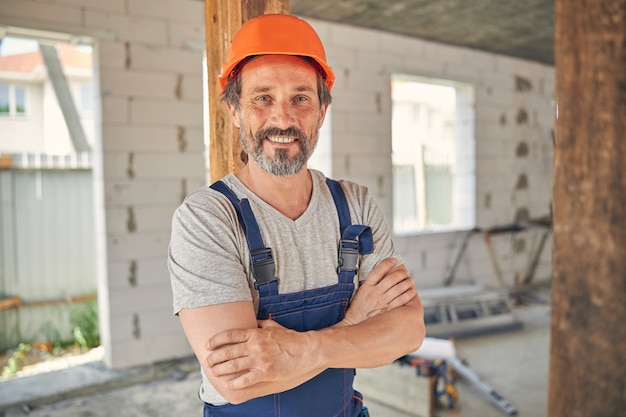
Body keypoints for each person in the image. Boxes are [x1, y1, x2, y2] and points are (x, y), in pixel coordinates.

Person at [168, 13, 425, 417]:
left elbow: (408, 332)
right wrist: (352, 325)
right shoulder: (208, 218)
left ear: (322, 111)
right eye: (263, 98)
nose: (283, 119)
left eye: (301, 98)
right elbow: (235, 383)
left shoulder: (354, 205)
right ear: (235, 110)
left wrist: (307, 348)